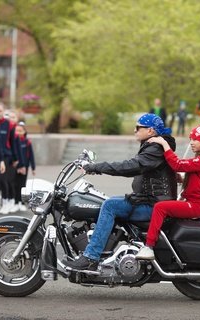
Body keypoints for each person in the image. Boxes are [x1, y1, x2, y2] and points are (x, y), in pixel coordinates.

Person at [62, 113, 177, 271]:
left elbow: (130, 166)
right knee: (111, 202)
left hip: (153, 204)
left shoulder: (155, 149)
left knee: (110, 205)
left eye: (138, 127)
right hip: (148, 200)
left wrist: (96, 167)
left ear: (150, 131)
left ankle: (90, 257)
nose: (134, 130)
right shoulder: (153, 146)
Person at [136, 123, 200, 260]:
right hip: (195, 203)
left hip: (195, 205)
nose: (191, 143)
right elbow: (197, 175)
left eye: (195, 140)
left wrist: (164, 144)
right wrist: (179, 178)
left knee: (160, 207)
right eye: (191, 139)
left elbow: (178, 164)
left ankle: (149, 246)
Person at [0, 102, 17, 214]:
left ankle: (6, 203)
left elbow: (13, 142)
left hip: (6, 155)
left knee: (3, 180)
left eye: (0, 111)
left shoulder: (9, 125)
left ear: (3, 112)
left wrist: (15, 158)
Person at [14, 121, 35, 211]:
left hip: (24, 166)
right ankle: (15, 202)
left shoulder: (27, 142)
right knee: (14, 184)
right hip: (15, 166)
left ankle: (21, 202)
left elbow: (31, 155)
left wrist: (33, 168)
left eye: (20, 131)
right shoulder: (13, 142)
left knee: (22, 184)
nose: (18, 133)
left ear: (24, 132)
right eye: (17, 131)